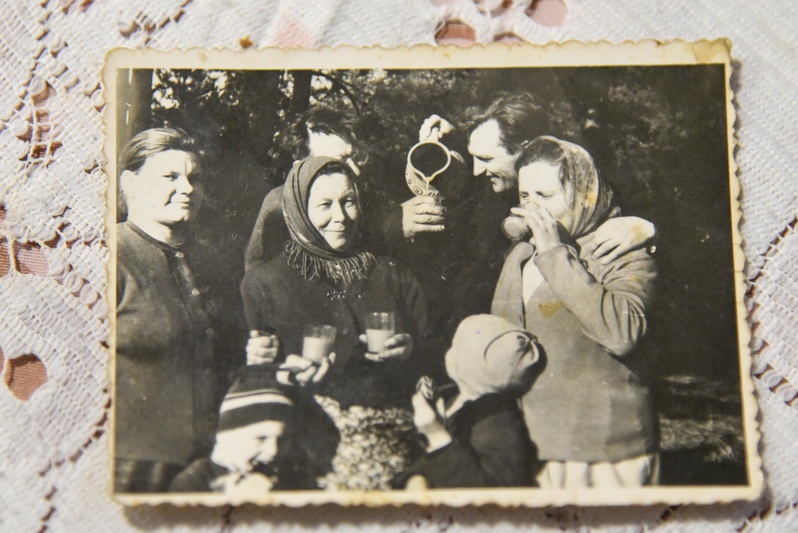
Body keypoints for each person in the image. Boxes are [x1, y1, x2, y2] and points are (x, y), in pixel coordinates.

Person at [386, 92, 658, 339]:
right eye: (526, 195)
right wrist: (455, 140)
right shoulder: (488, 183)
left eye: (487, 159)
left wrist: (645, 227)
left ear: (526, 149)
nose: (476, 171)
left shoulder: (578, 180)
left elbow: (639, 209)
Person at [241, 156, 428, 490]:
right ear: (299, 209)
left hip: (394, 437)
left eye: (348, 201)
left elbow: (433, 351)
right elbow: (250, 373)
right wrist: (282, 371)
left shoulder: (392, 273)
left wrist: (410, 349)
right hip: (308, 441)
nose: (340, 217)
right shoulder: (264, 282)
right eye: (325, 205)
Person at [491, 136, 659, 488]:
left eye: (545, 196)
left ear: (585, 195)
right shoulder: (520, 256)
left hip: (605, 450)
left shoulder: (621, 251)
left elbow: (622, 335)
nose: (532, 208)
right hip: (534, 444)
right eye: (525, 196)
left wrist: (555, 253)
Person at [114, 127, 243, 493]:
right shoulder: (110, 255)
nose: (187, 188)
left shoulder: (212, 263)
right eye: (169, 177)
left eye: (194, 178)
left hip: (210, 465)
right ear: (130, 184)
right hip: (131, 468)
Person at [397, 314, 541, 489]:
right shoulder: (462, 404)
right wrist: (415, 477)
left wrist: (437, 435)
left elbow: (487, 491)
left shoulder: (498, 420)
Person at [169, 366, 338, 494]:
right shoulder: (193, 483)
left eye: (282, 439)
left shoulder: (283, 477)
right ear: (228, 435)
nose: (273, 450)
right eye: (260, 438)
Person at [244, 105, 366, 271]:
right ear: (300, 168)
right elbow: (259, 273)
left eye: (353, 158)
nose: (356, 171)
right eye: (336, 162)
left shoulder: (361, 195)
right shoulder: (279, 203)